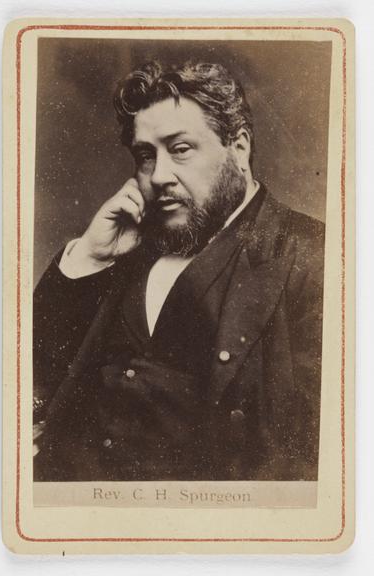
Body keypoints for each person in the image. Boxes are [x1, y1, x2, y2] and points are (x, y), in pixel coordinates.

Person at [33, 60, 324, 482]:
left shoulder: (316, 256)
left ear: (238, 147)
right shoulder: (124, 244)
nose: (160, 175)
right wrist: (89, 259)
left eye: (181, 149)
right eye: (146, 156)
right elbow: (27, 380)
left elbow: (319, 460)